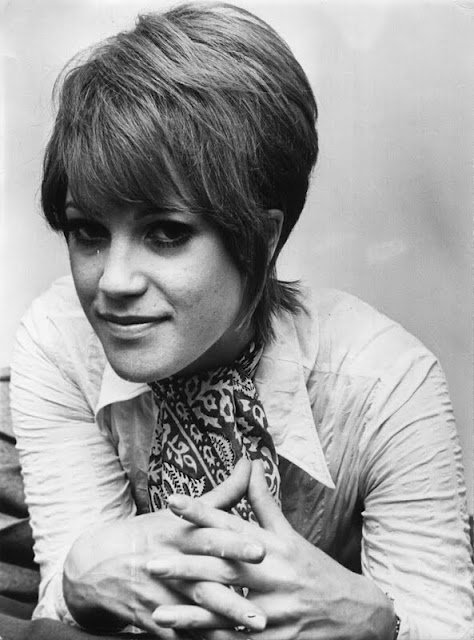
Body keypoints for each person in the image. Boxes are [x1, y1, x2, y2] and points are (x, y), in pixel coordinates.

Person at [8, 2, 473, 639]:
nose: (112, 282)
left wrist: (377, 624)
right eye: (88, 231)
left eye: (166, 233)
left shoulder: (388, 383)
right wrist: (75, 579)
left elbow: (443, 624)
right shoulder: (62, 341)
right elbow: (67, 602)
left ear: (263, 238)